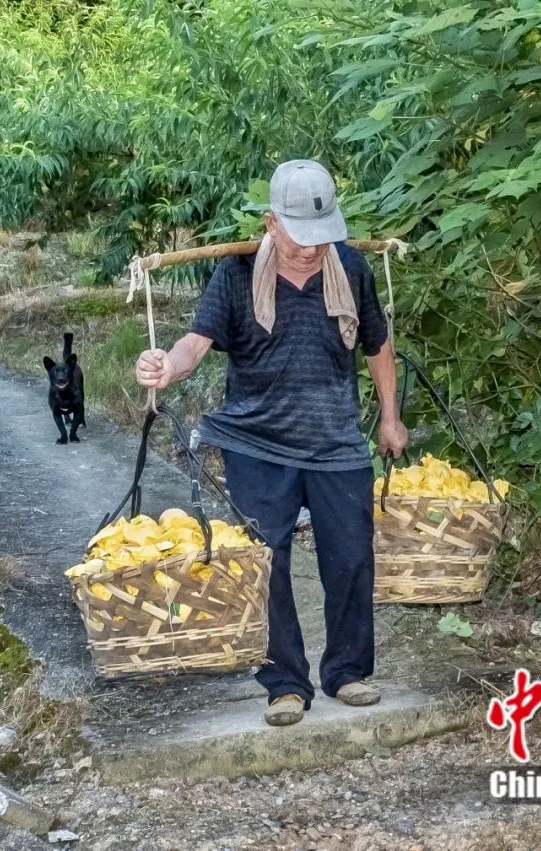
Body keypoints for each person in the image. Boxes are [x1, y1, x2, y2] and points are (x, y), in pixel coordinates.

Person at [135, 159, 408, 727]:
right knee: (268, 563)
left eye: (320, 238)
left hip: (335, 442)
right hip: (256, 444)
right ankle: (285, 682)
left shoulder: (351, 268)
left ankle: (348, 672)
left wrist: (390, 417)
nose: (311, 250)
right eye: (300, 239)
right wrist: (167, 367)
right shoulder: (235, 276)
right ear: (271, 224)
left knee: (351, 559)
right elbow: (195, 342)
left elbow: (378, 345)